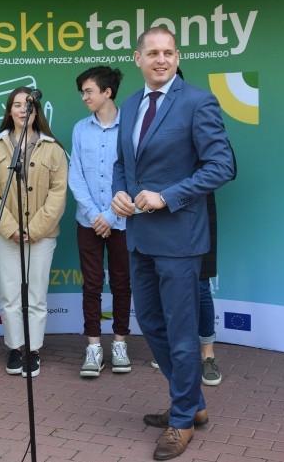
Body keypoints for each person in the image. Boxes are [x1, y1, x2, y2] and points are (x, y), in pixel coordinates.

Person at [111, 27, 236, 460]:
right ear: (138, 58)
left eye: (168, 52)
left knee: (182, 335)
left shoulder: (197, 101)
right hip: (139, 239)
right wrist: (119, 192)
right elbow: (121, 164)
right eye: (153, 53)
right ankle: (194, 403)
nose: (161, 59)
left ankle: (182, 419)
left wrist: (168, 195)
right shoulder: (129, 106)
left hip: (180, 238)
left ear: (178, 56)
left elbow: (223, 165)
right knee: (150, 322)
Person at [0, 86, 67, 378]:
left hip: (42, 236)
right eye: (16, 105)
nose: (22, 109)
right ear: (9, 111)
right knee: (10, 296)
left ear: (36, 110)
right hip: (6, 237)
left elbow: (58, 194)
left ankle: (33, 350)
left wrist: (35, 229)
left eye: (27, 104)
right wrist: (11, 229)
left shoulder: (53, 149)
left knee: (36, 296)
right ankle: (15, 348)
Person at [68, 66, 132, 377]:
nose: (84, 97)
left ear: (107, 92)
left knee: (122, 283)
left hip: (122, 221)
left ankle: (119, 342)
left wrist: (110, 215)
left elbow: (134, 177)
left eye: (89, 91)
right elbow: (75, 176)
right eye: (83, 92)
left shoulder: (130, 127)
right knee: (92, 284)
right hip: (88, 221)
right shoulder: (80, 129)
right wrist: (95, 215)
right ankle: (93, 346)